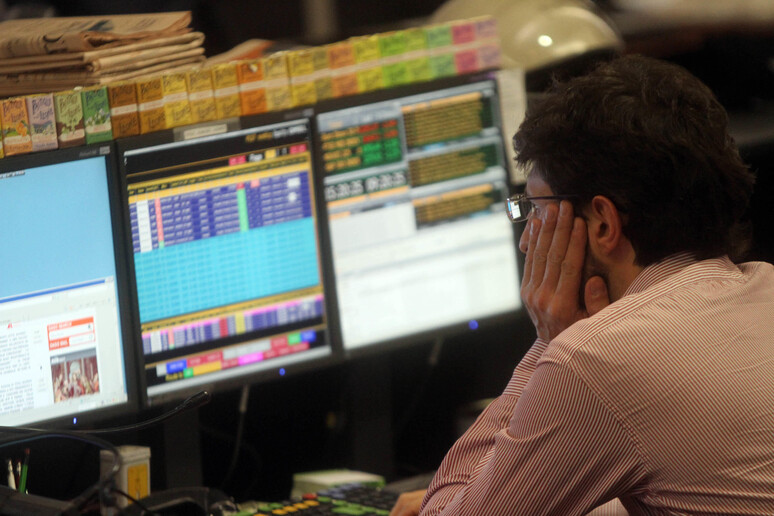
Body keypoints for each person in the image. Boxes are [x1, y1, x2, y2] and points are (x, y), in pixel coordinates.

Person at [390, 54, 774, 515]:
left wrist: (551, 341)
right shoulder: (766, 285)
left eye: (536, 209)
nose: (526, 241)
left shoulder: (598, 360)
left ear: (603, 224)